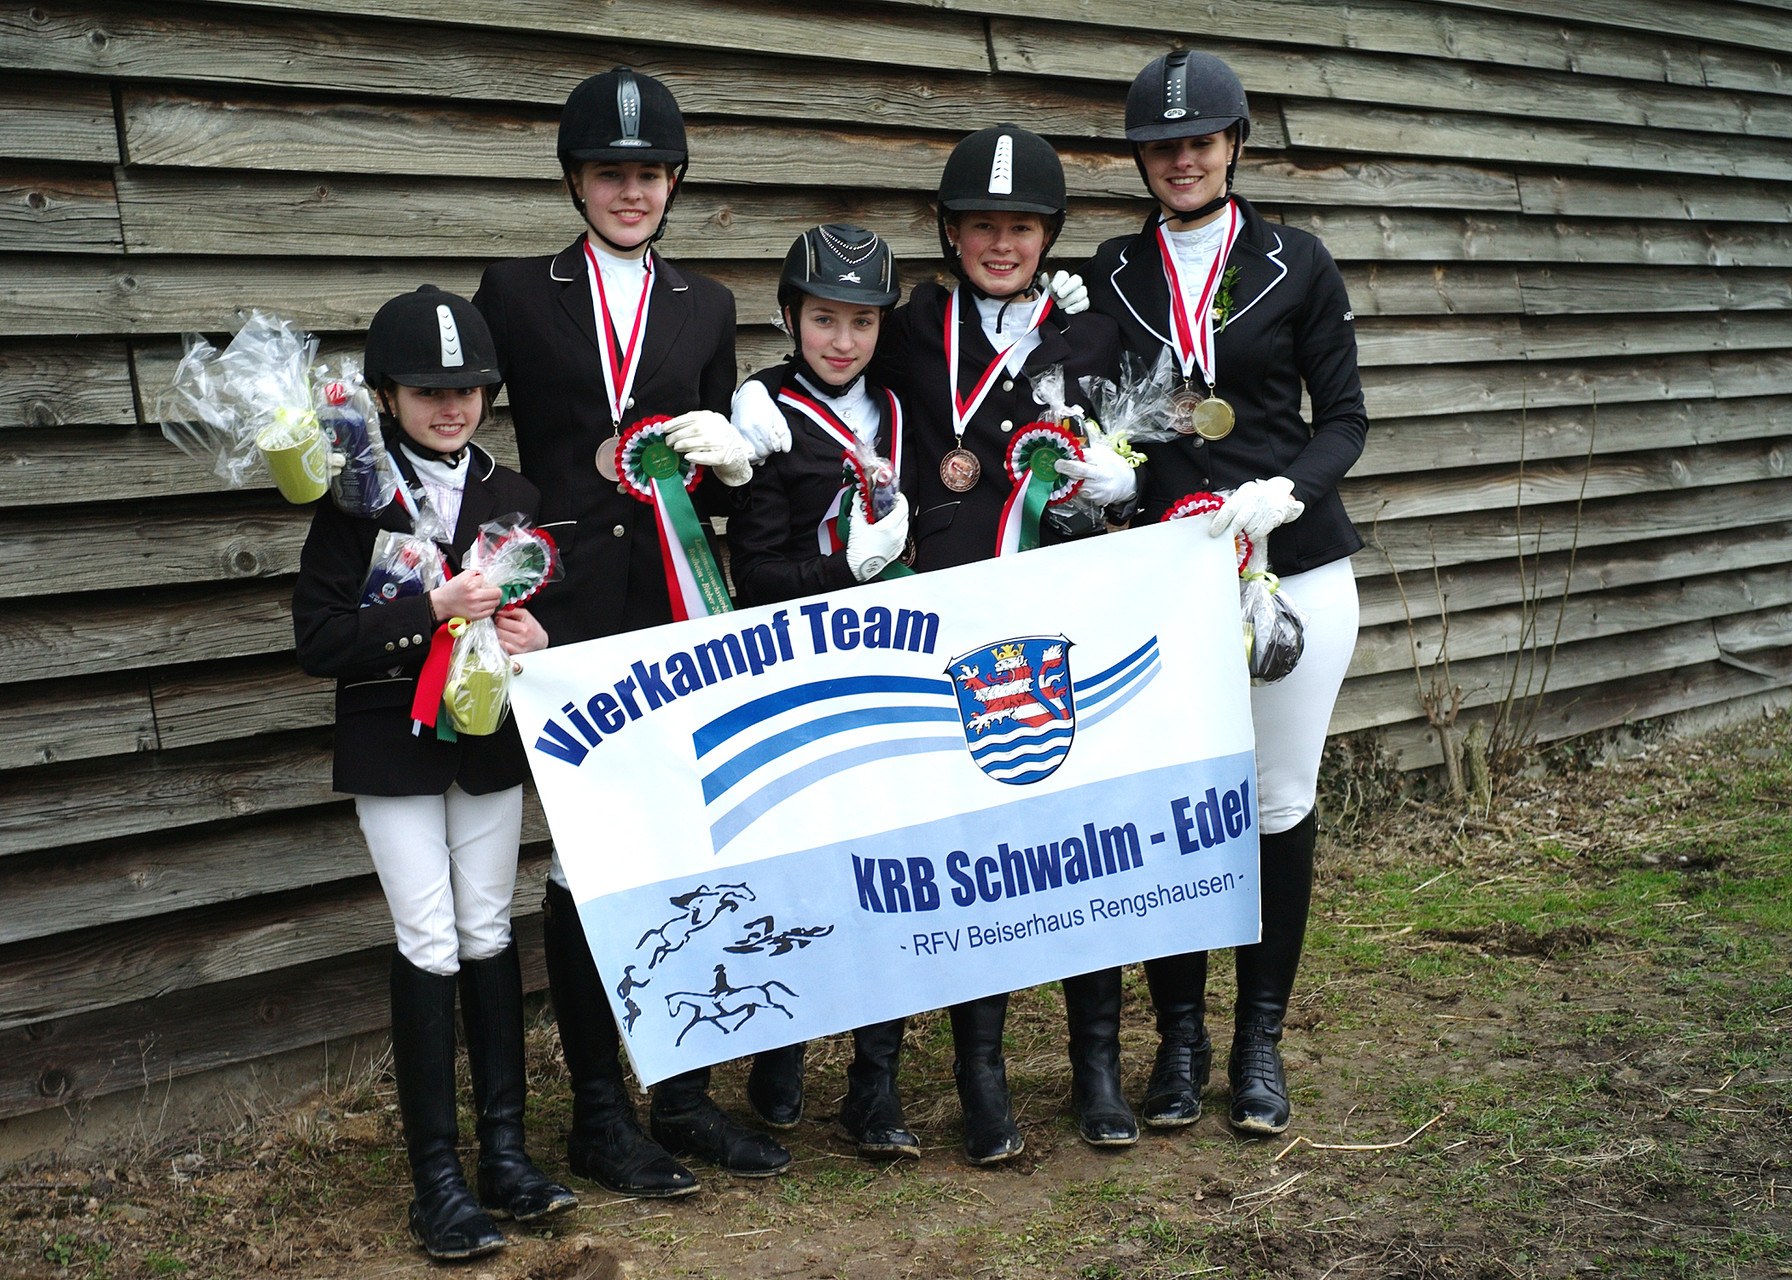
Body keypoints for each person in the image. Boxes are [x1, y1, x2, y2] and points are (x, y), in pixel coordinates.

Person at [472, 67, 790, 1194]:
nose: (629, 189)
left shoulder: (705, 306)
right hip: (560, 615)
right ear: (575, 177)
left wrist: (733, 459)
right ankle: (600, 1114)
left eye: (648, 172)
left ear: (672, 182)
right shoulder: (513, 292)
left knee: (676, 844)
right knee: (580, 859)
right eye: (610, 171)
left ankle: (687, 1095)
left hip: (669, 601)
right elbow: (471, 443)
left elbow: (711, 477)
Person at [1083, 51, 1367, 1136]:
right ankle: (1178, 1041)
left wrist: (1285, 493)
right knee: (1171, 807)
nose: (1181, 159)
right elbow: (1090, 408)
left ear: (1234, 143)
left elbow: (1343, 416)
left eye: (1199, 140)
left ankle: (1256, 1039)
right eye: (1162, 146)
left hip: (1286, 565)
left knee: (1273, 804)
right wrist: (1110, 470)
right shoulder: (1111, 269)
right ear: (1142, 159)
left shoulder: (1298, 260)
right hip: (1161, 574)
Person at [868, 124, 1139, 1162]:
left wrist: (1130, 481)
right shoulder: (909, 327)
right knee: (975, 853)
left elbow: (1140, 449)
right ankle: (981, 1074)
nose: (999, 243)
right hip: (951, 613)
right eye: (981, 224)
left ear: (1047, 235)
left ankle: (1097, 1065)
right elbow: (835, 383)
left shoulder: (1092, 334)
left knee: (1079, 838)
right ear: (949, 230)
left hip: (1061, 608)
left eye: (1019, 226)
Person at [292, 286, 576, 1260]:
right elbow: (319, 638)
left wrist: (533, 634)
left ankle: (504, 1153)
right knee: (427, 936)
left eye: (466, 388)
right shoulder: (353, 499)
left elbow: (532, 621)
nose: (448, 405)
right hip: (392, 746)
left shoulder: (517, 497)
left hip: (487, 738)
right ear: (385, 394)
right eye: (425, 390)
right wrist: (431, 608)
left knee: (487, 929)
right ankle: (438, 1179)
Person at [725, 223, 919, 1158]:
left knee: (895, 869)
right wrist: (844, 566)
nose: (841, 340)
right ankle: (782, 1049)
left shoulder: (905, 406)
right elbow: (753, 571)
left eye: (860, 322)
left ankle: (875, 1082)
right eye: (823, 320)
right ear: (791, 317)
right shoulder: (762, 415)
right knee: (803, 871)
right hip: (799, 671)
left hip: (895, 664)